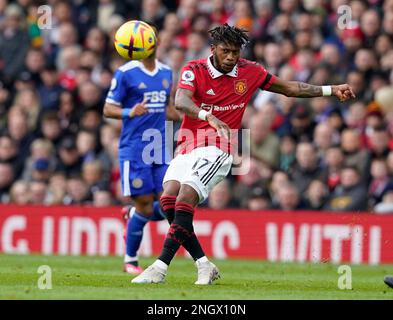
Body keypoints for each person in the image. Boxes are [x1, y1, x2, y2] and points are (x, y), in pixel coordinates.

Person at [130, 24, 355, 285]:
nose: (230, 57)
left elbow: (290, 88)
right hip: (189, 143)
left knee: (185, 197)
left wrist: (330, 89)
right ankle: (204, 264)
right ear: (212, 49)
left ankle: (159, 268)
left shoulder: (251, 71)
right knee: (168, 200)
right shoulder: (194, 69)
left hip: (219, 147)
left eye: (235, 52)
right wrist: (207, 115)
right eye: (225, 51)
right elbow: (180, 101)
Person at [103, 24, 180, 275]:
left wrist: (191, 115)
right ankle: (131, 260)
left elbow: (166, 109)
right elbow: (108, 108)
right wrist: (129, 111)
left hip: (160, 148)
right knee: (146, 207)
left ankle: (133, 216)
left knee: (171, 204)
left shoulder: (167, 72)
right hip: (135, 149)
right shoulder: (125, 74)